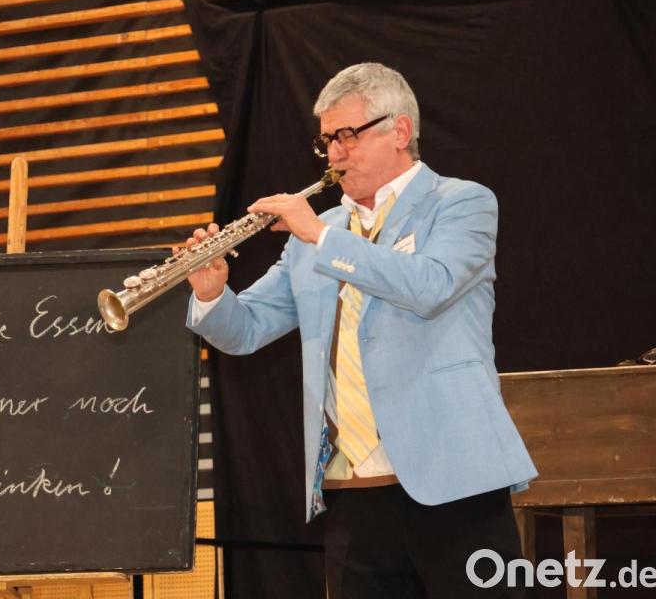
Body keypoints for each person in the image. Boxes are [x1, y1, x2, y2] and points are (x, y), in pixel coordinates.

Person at [183, 63, 537, 598]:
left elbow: (431, 285)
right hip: (351, 492)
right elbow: (247, 329)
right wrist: (212, 293)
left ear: (400, 130)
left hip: (454, 479)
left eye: (347, 135)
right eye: (326, 140)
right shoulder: (318, 234)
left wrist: (321, 237)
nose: (334, 153)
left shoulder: (460, 202)